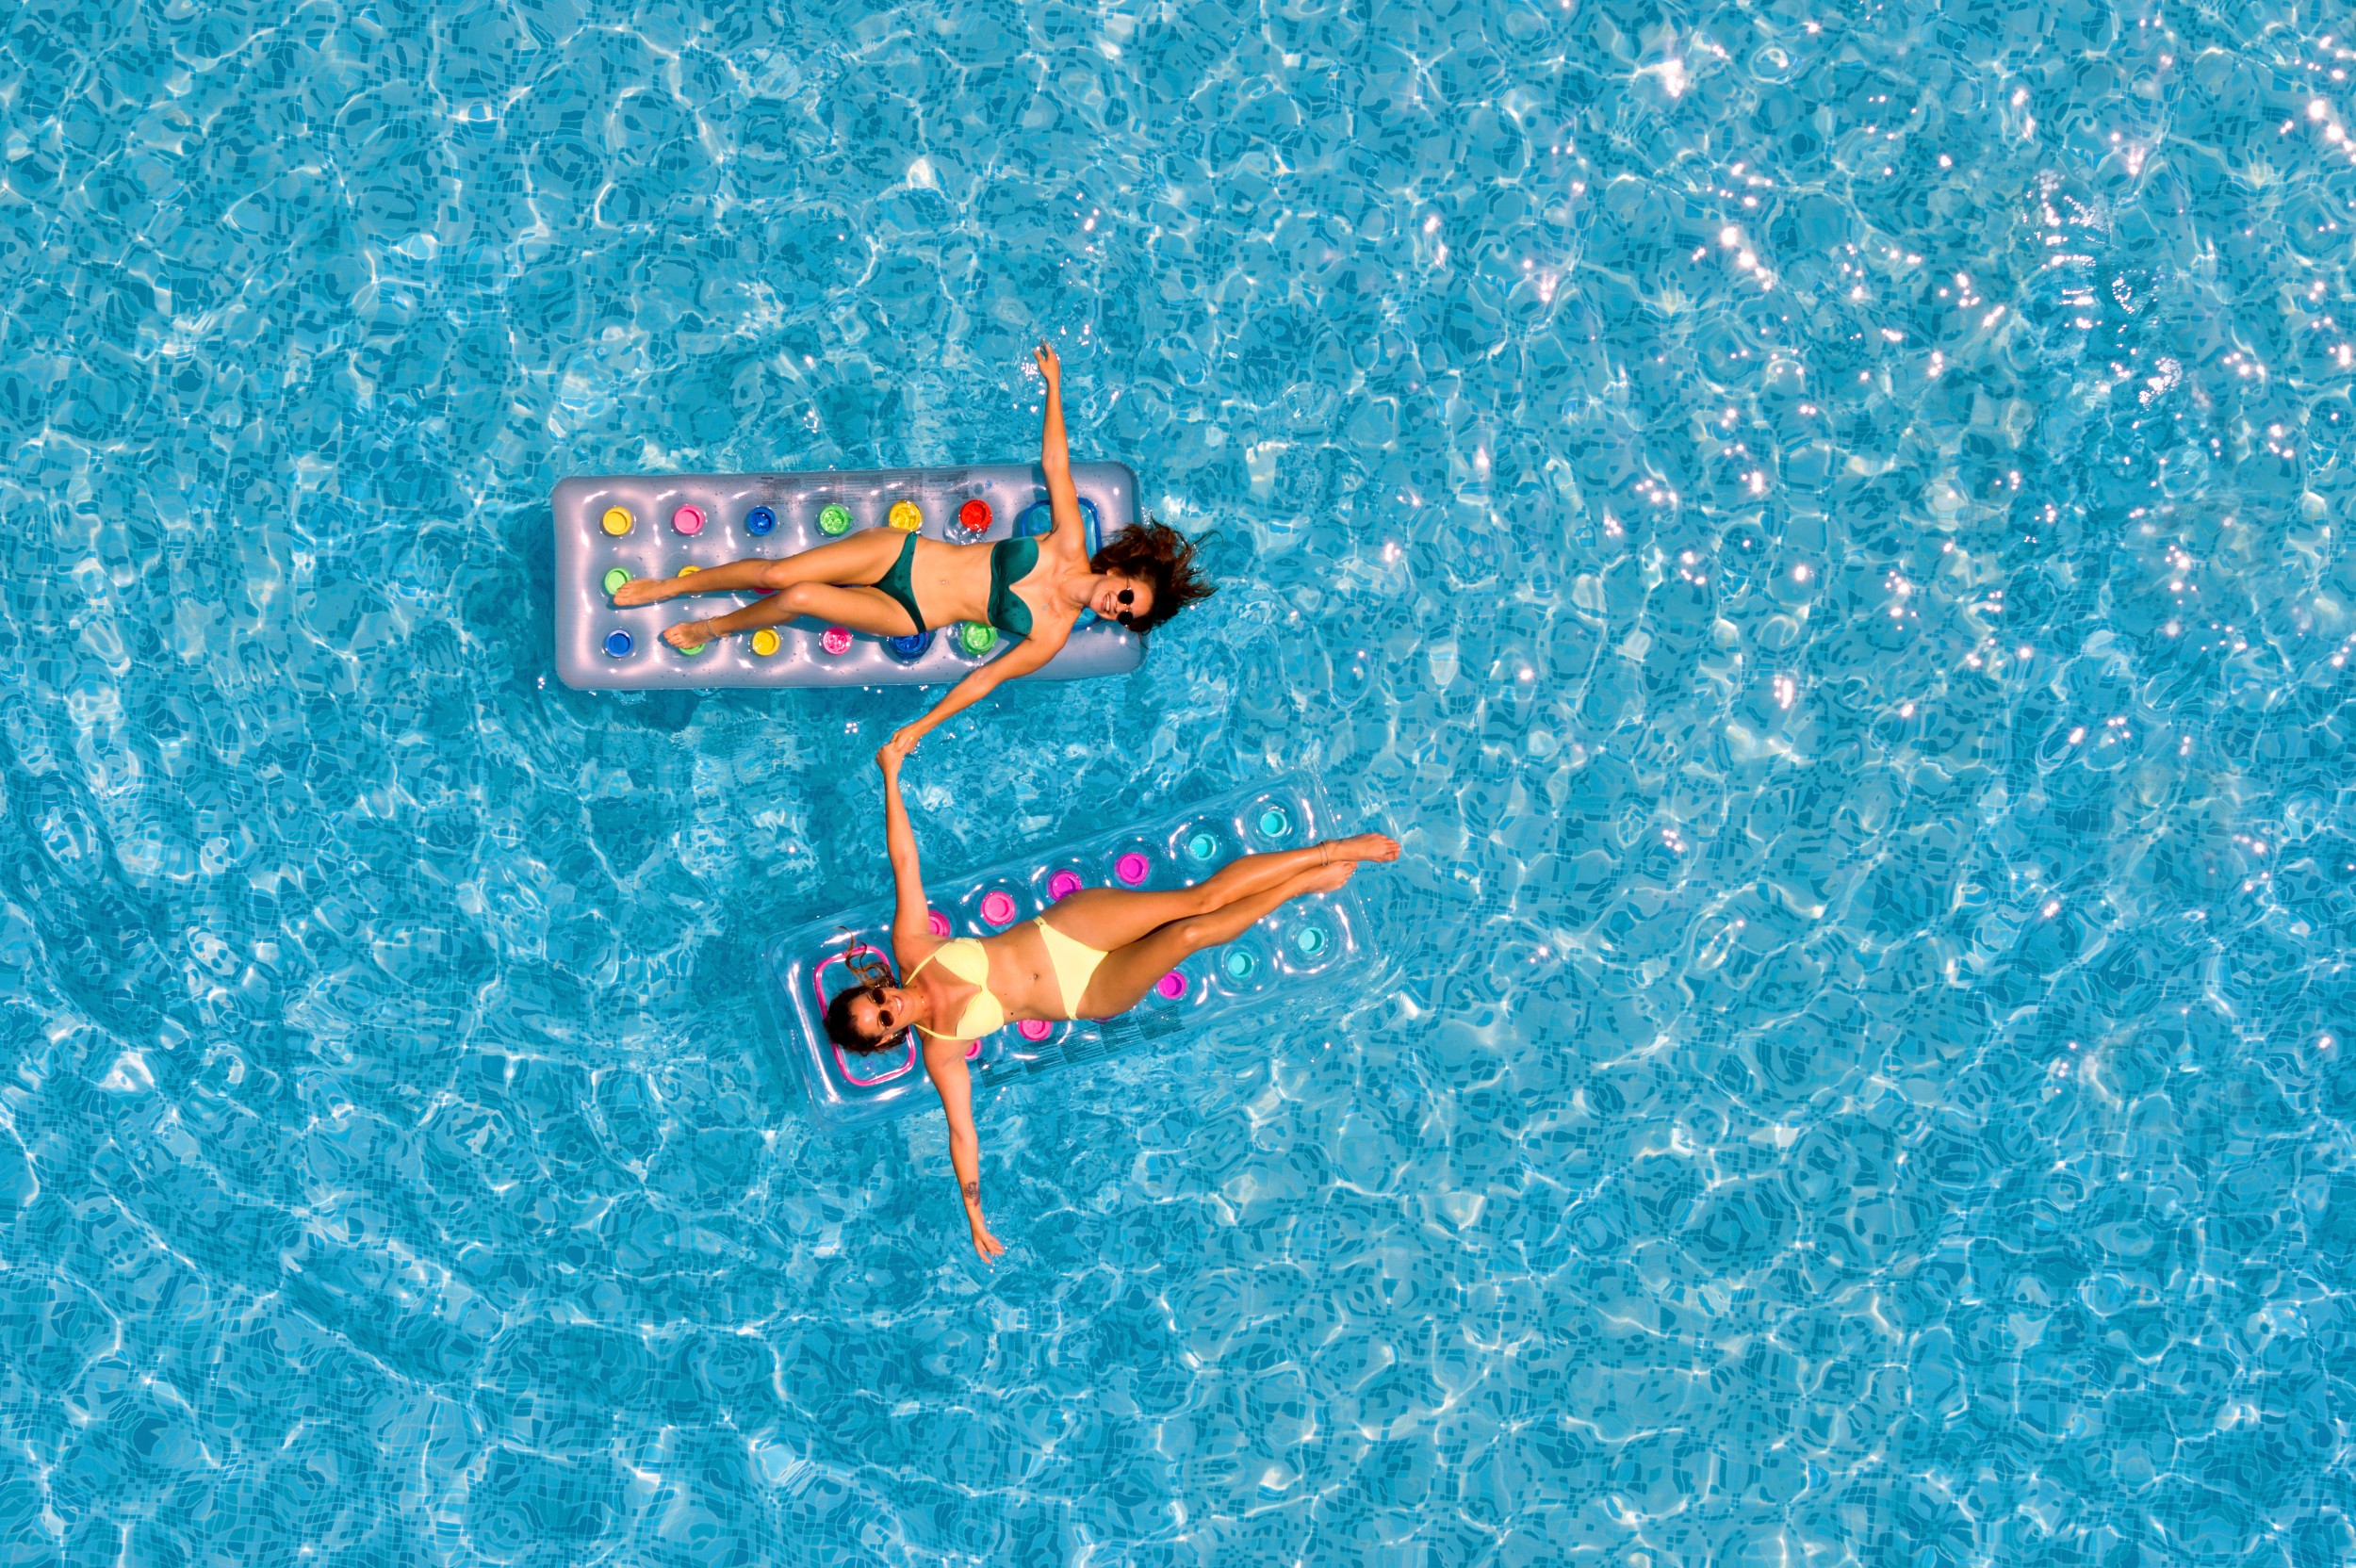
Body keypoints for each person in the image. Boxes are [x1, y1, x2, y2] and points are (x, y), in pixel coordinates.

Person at [827, 747, 1398, 1260]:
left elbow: (905, 863)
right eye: (882, 1018)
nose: (888, 1002)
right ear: (887, 1037)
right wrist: (975, 1215)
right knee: (1189, 935)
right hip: (1088, 991)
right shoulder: (941, 1051)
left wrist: (891, 774)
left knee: (1200, 900)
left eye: (875, 996)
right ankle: (1297, 885)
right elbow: (962, 1134)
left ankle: (1332, 849)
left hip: (1065, 930)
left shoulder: (912, 948)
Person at [614, 342, 1214, 759]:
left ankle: (713, 628)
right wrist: (1055, 387)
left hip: (909, 613)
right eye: (1128, 597)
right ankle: (671, 586)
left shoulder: (1053, 634)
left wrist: (921, 728)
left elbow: (984, 681)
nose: (1117, 608)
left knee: (797, 598)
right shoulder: (1067, 543)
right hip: (902, 556)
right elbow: (1057, 463)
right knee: (776, 573)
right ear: (1125, 570)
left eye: (1127, 616)